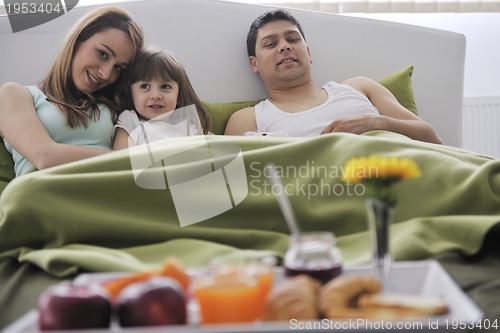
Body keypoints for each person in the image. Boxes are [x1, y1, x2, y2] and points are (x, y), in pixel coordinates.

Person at [224, 9, 442, 144]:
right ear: (254, 64)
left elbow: (433, 139)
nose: (284, 47)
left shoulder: (359, 87)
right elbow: (235, 188)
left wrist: (377, 123)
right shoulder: (250, 119)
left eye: (293, 39)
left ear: (308, 53)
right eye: (271, 44)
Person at [0, 6, 144, 177]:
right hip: (40, 196)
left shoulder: (116, 107)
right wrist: (128, 160)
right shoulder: (15, 94)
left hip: (105, 197)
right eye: (103, 54)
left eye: (118, 68)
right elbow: (44, 156)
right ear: (77, 40)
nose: (105, 74)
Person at [113, 47, 212, 150]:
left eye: (165, 87)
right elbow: (121, 161)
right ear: (130, 92)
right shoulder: (130, 121)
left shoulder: (189, 126)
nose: (155, 96)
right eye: (145, 86)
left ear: (179, 95)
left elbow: (222, 148)